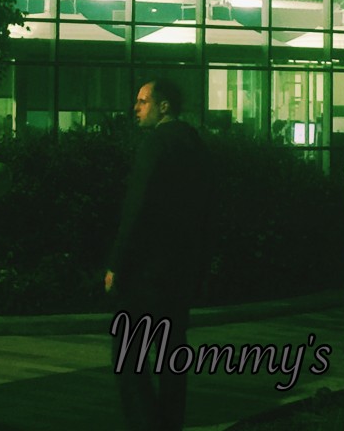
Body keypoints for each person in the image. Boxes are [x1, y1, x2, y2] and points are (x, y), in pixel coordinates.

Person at [105, 79, 212, 431]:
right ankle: (170, 424)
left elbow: (137, 206)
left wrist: (116, 264)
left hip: (147, 269)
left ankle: (145, 422)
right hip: (181, 267)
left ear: (163, 106)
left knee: (128, 353)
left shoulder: (156, 144)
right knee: (171, 355)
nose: (135, 108)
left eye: (142, 101)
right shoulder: (194, 143)